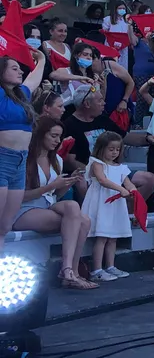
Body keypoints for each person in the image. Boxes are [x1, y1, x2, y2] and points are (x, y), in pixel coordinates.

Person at [14, 117, 93, 288]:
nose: (58, 141)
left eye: (59, 136)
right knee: (78, 221)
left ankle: (71, 271)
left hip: (48, 204)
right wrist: (50, 186)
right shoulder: (25, 158)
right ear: (41, 135)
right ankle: (67, 271)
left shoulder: (57, 159)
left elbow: (55, 194)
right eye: (53, 136)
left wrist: (68, 183)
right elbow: (19, 196)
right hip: (23, 209)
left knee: (81, 216)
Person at [61, 83, 154, 201]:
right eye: (100, 100)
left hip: (112, 169)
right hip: (87, 173)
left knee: (149, 179)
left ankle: (128, 214)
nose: (104, 103)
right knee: (82, 184)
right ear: (87, 104)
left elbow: (124, 137)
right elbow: (70, 162)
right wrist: (99, 172)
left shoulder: (102, 119)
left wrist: (148, 139)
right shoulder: (69, 126)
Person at [0, 51, 48, 252]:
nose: (20, 71)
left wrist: (42, 59)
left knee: (4, 226)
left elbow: (33, 81)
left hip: (20, 162)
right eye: (14, 68)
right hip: (2, 159)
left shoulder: (21, 95)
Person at [81, 131, 137, 282]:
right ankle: (97, 269)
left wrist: (133, 191)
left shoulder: (121, 167)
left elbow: (128, 183)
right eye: (111, 149)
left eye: (117, 149)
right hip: (101, 203)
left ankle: (110, 266)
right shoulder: (96, 163)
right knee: (102, 237)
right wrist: (120, 189)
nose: (114, 152)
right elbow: (102, 180)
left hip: (115, 205)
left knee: (113, 238)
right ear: (101, 148)